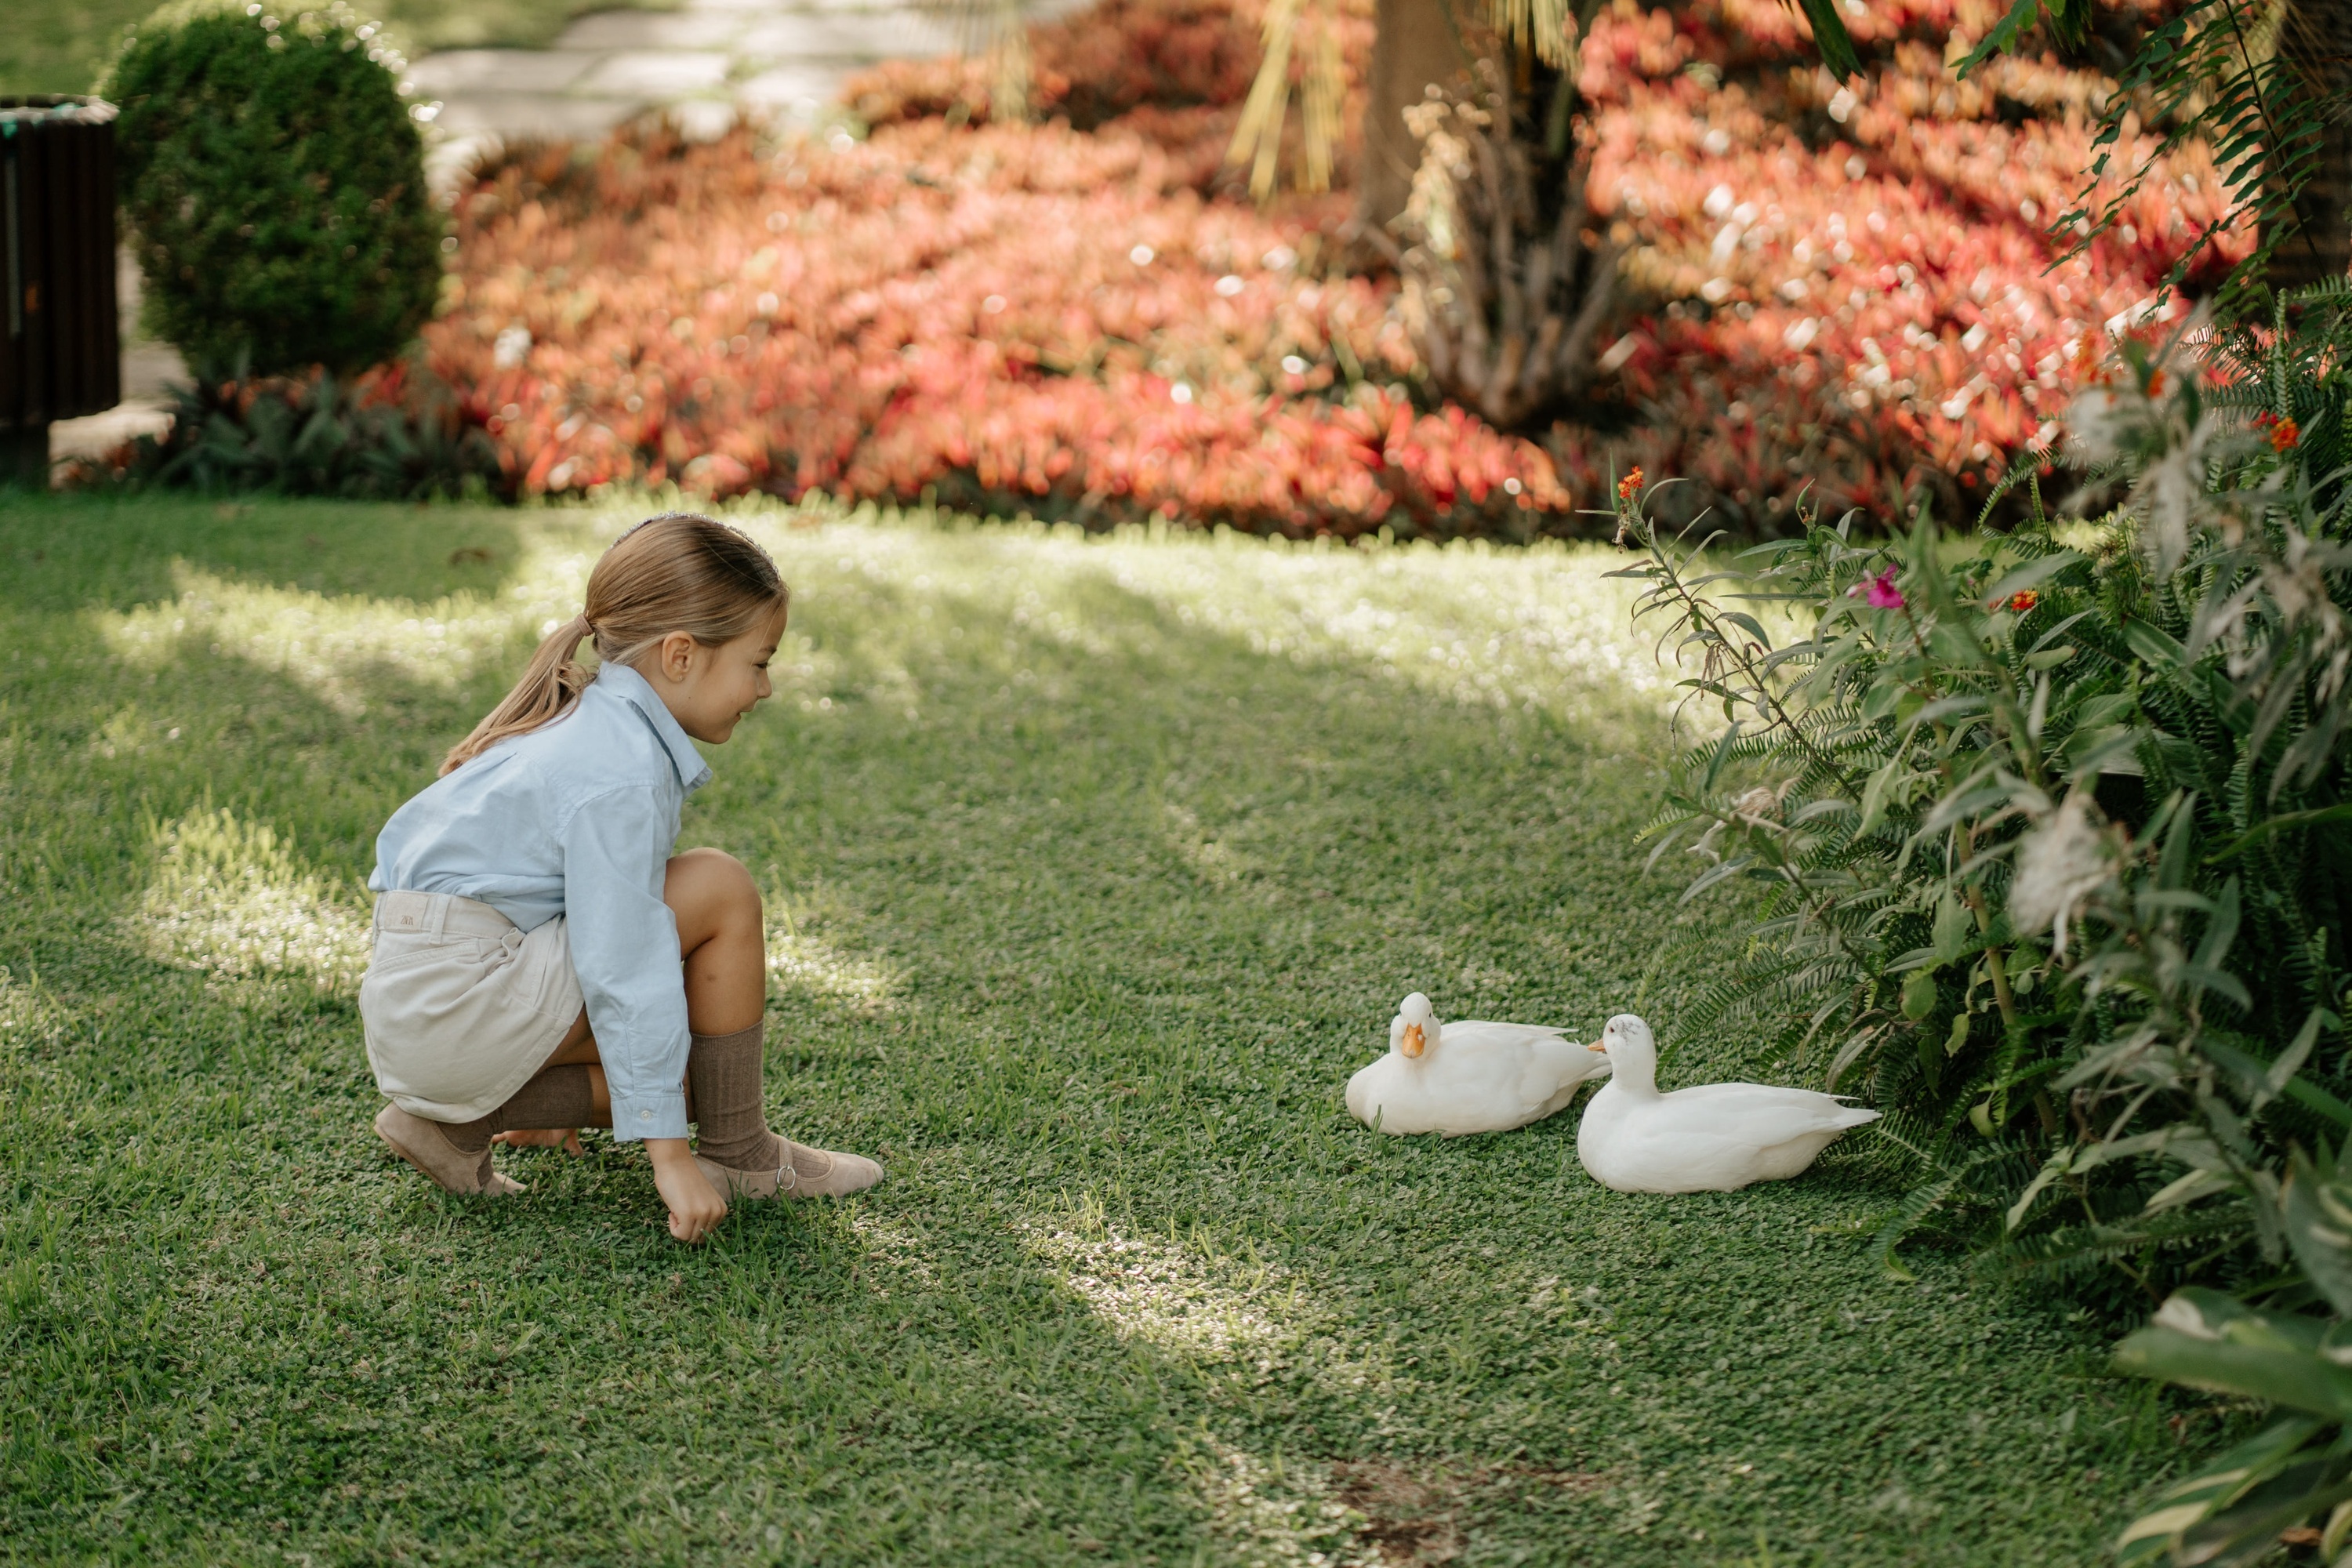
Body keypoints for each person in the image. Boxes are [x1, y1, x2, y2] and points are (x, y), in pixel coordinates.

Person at [358, 512, 882, 1243]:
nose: (765, 688)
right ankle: (740, 1155)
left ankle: (453, 1125)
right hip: (459, 1004)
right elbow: (624, 963)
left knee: (705, 1079)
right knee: (718, 886)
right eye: (759, 662)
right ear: (679, 655)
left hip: (427, 1013)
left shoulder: (594, 724)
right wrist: (669, 1156)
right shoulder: (622, 770)